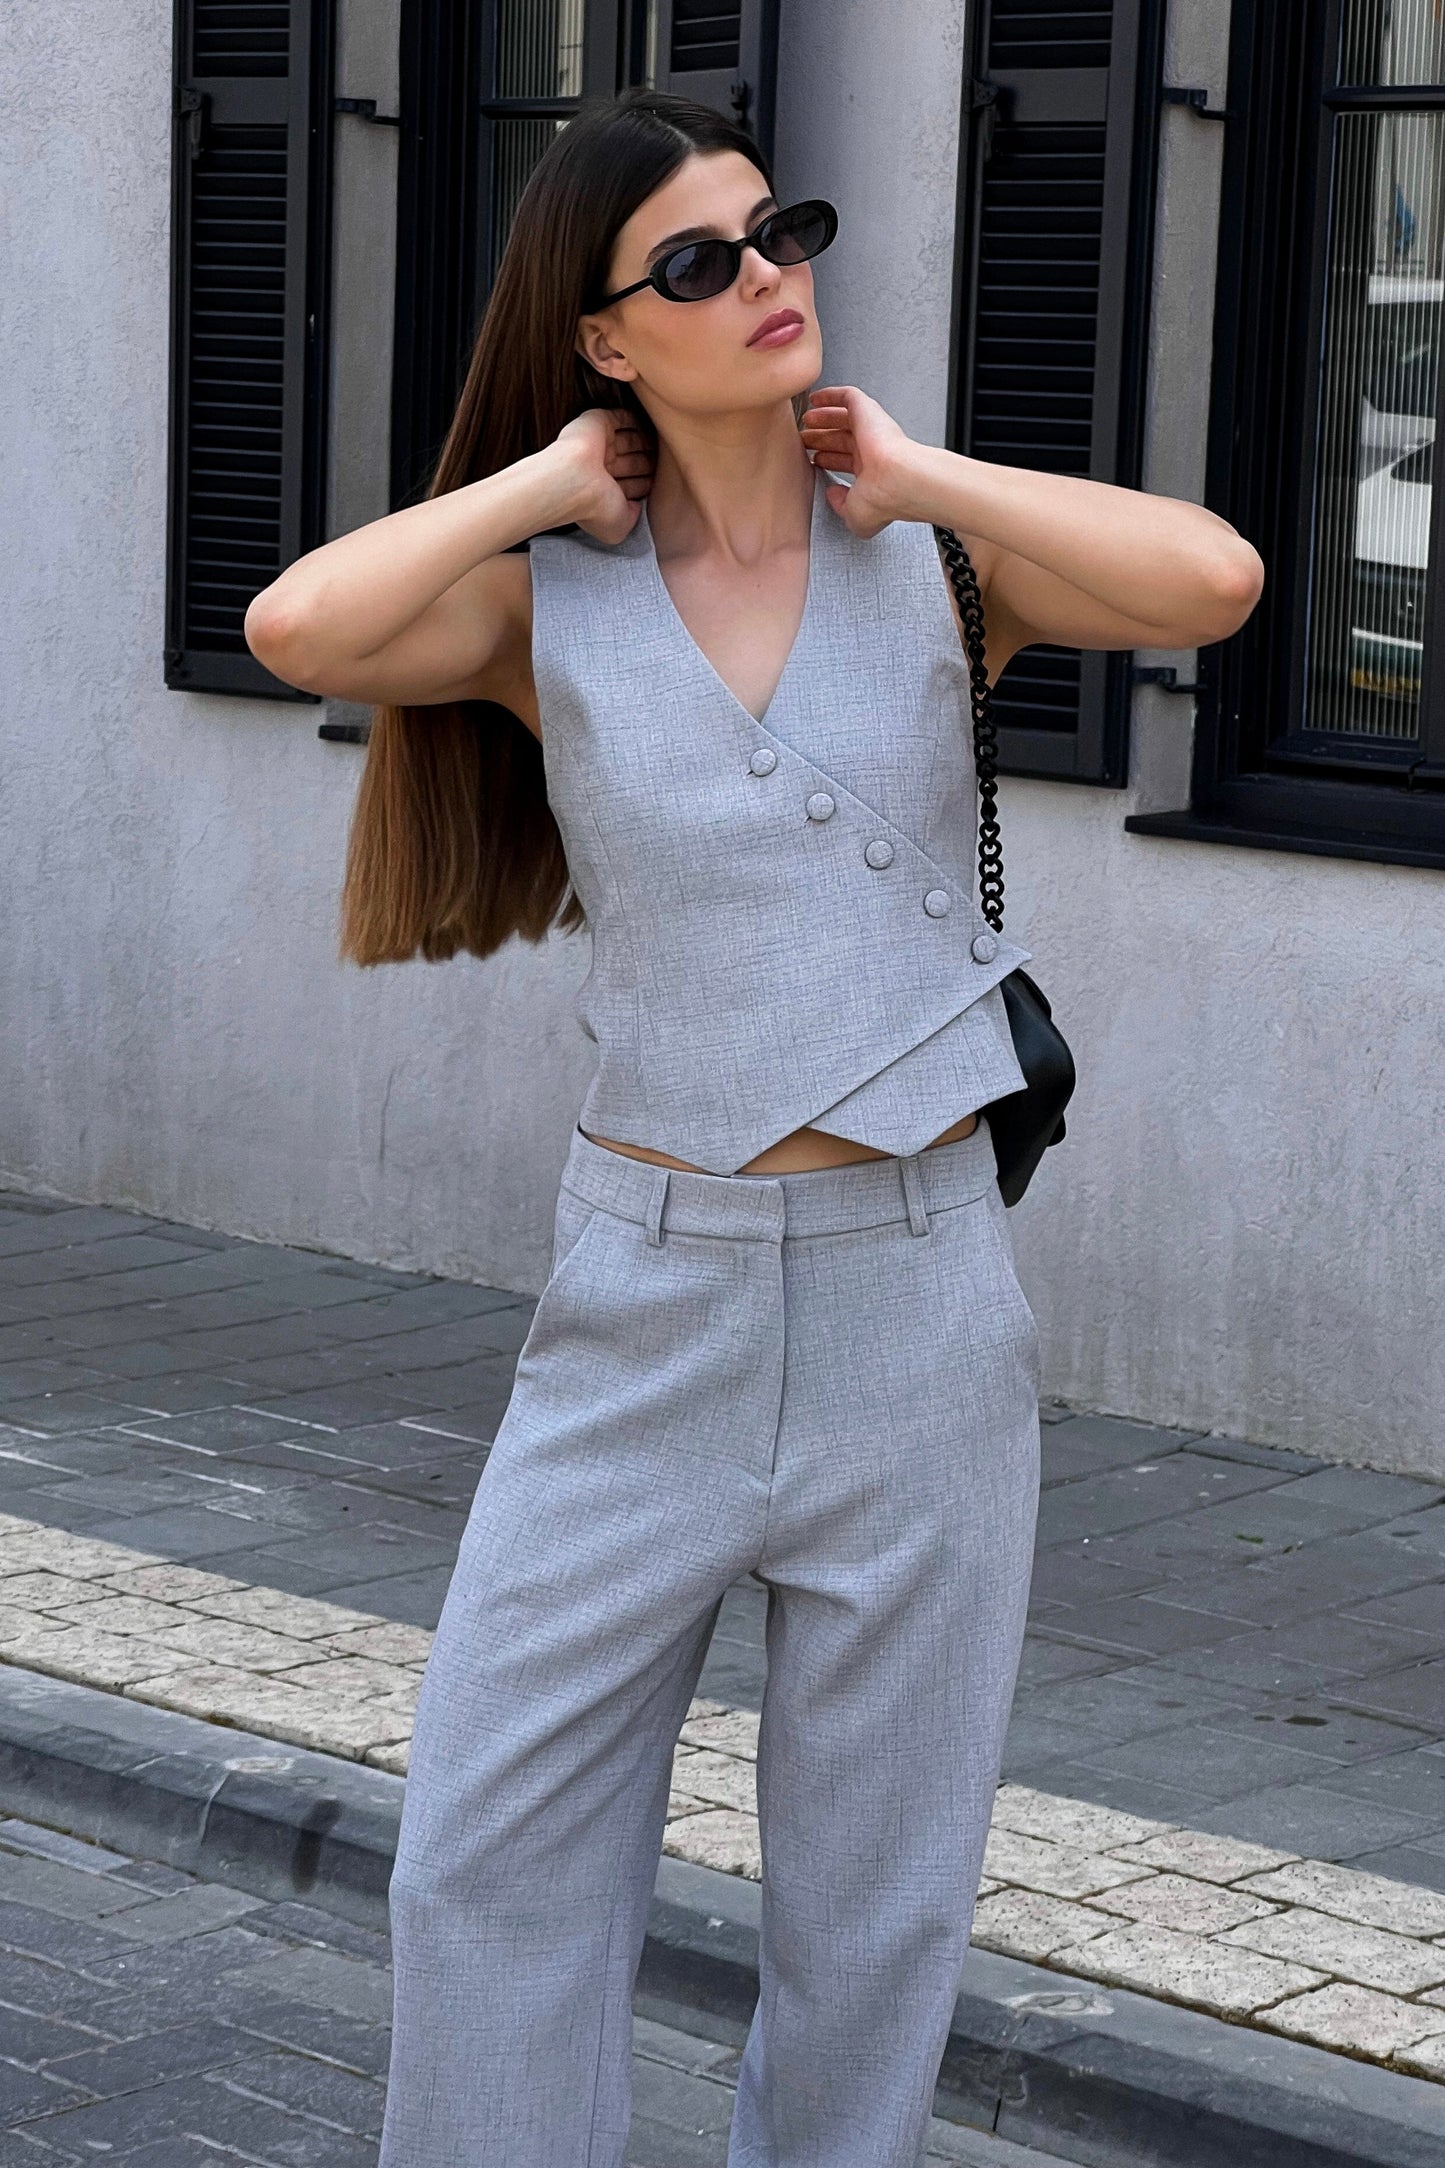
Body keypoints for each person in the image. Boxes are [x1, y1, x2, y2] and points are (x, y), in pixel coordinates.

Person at [245, 86, 1262, 2168]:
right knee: (484, 1858)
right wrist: (545, 477)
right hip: (645, 1306)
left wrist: (915, 469)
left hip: (918, 1303)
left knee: (872, 1917)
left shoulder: (936, 562)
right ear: (608, 332)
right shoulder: (548, 606)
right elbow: (298, 629)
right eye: (698, 263)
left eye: (777, 230)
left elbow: (1219, 580)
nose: (766, 277)